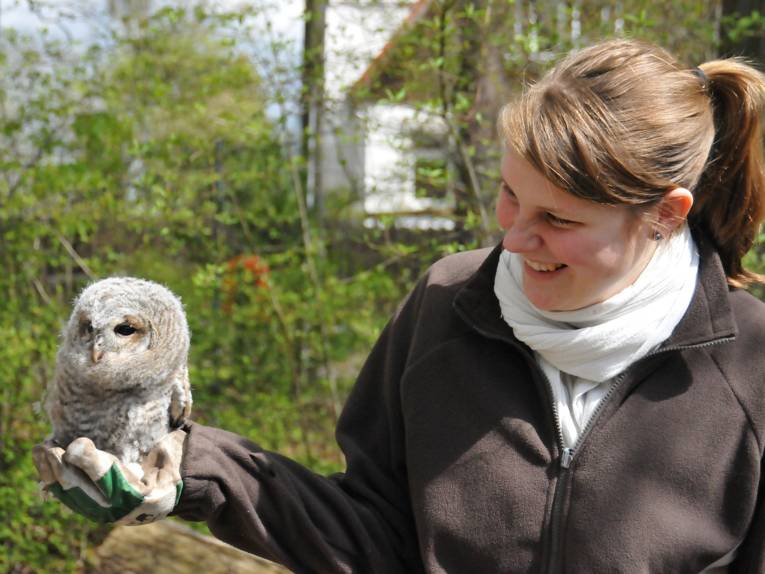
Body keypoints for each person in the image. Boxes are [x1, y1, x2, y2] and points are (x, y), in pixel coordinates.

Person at [34, 38, 765, 573]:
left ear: (666, 214)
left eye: (559, 220)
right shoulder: (448, 303)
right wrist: (195, 468)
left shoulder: (748, 363)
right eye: (509, 195)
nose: (513, 237)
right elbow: (372, 535)